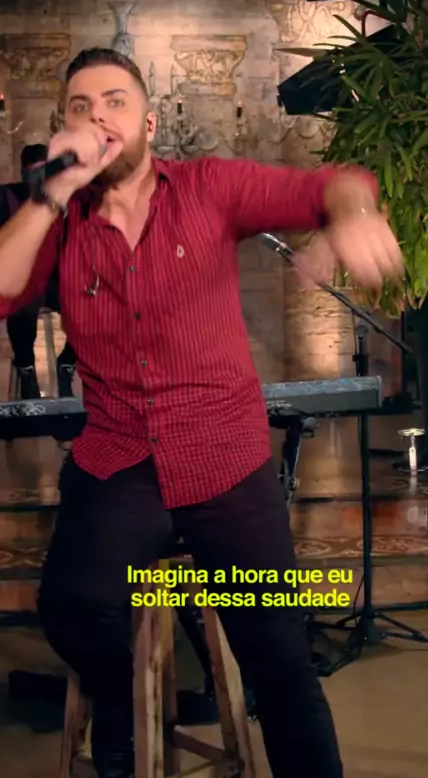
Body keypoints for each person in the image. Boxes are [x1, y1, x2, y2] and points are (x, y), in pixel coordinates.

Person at [0, 47, 404, 778]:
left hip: (224, 456)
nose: (99, 118)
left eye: (116, 102)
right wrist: (51, 190)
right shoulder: (57, 218)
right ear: (63, 126)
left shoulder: (207, 188)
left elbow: (334, 184)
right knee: (72, 604)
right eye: (81, 107)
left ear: (149, 123)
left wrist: (352, 213)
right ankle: (119, 714)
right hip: (120, 458)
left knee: (280, 662)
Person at [0, 143, 76, 399]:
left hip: (57, 278)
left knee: (92, 309)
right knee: (22, 309)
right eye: (33, 173)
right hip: (25, 283)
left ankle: (67, 364)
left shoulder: (68, 199)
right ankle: (25, 368)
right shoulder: (8, 197)